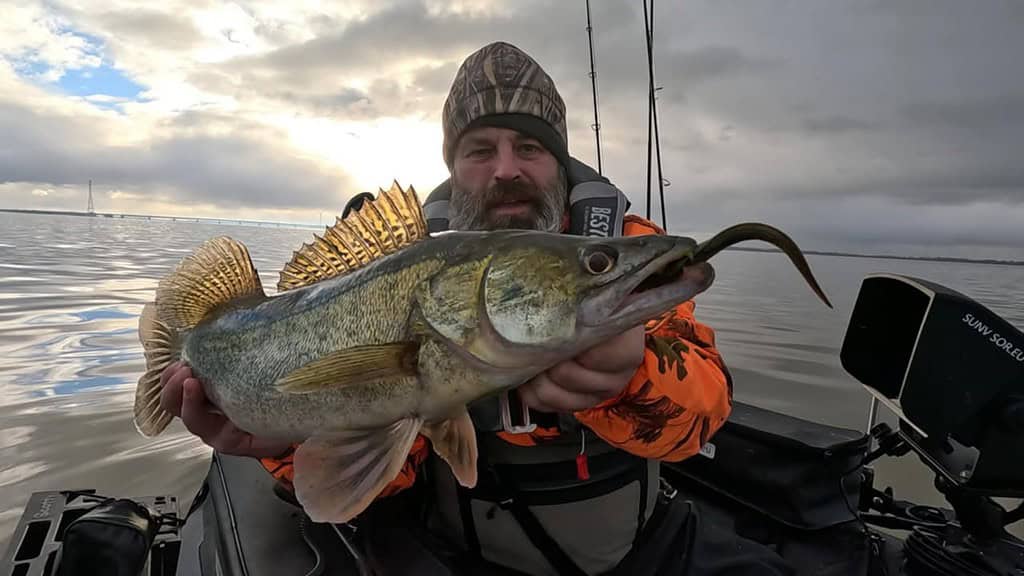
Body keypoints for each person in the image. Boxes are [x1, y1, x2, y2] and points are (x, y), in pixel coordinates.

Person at [159, 41, 793, 575]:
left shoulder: (626, 250)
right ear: (454, 167)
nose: (505, 171)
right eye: (480, 150)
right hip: (454, 550)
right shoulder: (405, 275)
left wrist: (633, 379)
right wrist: (276, 440)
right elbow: (382, 472)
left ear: (561, 162)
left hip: (629, 554)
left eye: (530, 147)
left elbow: (704, 418)